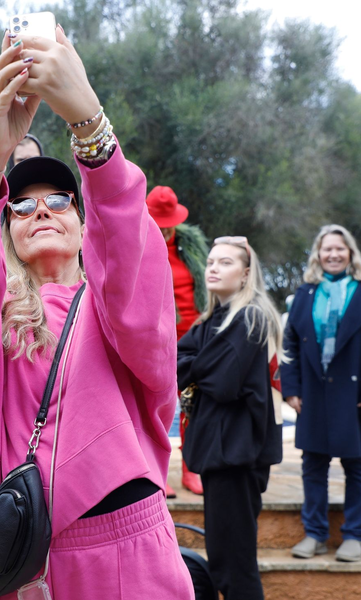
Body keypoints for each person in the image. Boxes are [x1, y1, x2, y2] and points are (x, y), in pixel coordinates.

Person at [0, 28, 194, 600]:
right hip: (19, 557)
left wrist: (89, 123)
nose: (40, 209)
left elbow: (129, 248)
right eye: (21, 204)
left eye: (59, 199)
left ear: (82, 222)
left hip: (125, 550)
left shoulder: (113, 303)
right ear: (6, 230)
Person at [177, 236, 284, 600]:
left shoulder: (252, 316)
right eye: (210, 261)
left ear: (246, 274)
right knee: (222, 559)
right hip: (217, 452)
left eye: (225, 262)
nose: (213, 268)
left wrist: (195, 367)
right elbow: (176, 365)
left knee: (236, 566)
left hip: (238, 454)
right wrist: (198, 366)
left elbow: (222, 383)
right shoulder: (211, 321)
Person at [281, 225, 361, 563]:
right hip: (313, 395)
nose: (333, 254)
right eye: (326, 249)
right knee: (312, 465)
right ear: (318, 254)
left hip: (358, 395)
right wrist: (291, 388)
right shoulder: (304, 294)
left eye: (340, 249)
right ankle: (315, 534)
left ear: (350, 254)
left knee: (357, 465)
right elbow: (289, 345)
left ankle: (355, 536)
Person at [146, 185, 208, 496]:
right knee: (156, 404)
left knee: (192, 402)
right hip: (156, 337)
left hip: (193, 337)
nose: (165, 228)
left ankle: (191, 468)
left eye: (169, 222)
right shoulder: (138, 242)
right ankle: (158, 472)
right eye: (160, 221)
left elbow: (207, 286)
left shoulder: (192, 247)